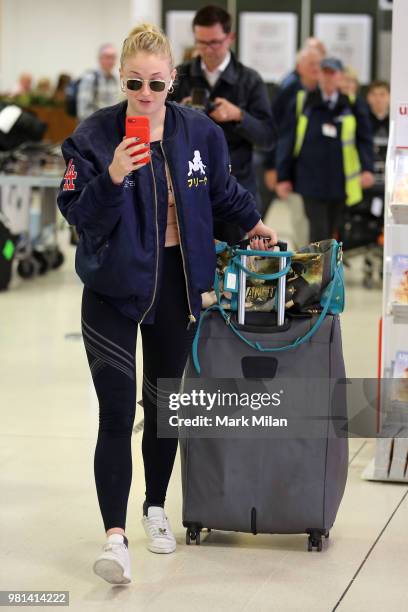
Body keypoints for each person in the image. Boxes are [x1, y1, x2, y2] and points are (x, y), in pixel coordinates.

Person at [57, 22, 277, 585]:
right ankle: (114, 538)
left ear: (173, 79)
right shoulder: (92, 137)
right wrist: (110, 177)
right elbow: (79, 217)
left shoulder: (199, 132)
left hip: (179, 289)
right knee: (114, 410)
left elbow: (222, 191)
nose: (147, 94)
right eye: (135, 83)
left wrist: (254, 223)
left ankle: (156, 508)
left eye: (157, 83)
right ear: (121, 80)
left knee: (163, 409)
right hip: (112, 293)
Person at [171, 4, 276, 244]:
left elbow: (268, 137)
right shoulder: (178, 77)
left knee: (234, 272)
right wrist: (180, 113)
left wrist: (239, 115)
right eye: (201, 42)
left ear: (230, 37)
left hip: (236, 192)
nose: (208, 50)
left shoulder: (249, 80)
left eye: (215, 42)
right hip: (188, 189)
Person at [276, 57, 374, 243]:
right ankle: (319, 271)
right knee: (318, 231)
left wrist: (367, 168)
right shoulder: (303, 102)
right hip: (310, 180)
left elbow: (364, 139)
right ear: (319, 75)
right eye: (325, 72)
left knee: (332, 231)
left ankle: (328, 270)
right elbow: (287, 141)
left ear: (340, 77)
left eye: (333, 73)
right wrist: (283, 176)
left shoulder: (351, 104)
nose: (329, 78)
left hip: (340, 181)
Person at [263, 46, 323, 247]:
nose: (316, 68)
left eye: (319, 63)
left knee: (317, 226)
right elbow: (275, 130)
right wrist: (271, 167)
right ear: (300, 67)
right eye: (311, 64)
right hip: (295, 171)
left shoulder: (326, 93)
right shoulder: (289, 92)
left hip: (318, 173)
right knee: (300, 223)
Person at [76, 43, 119, 121]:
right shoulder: (90, 78)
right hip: (93, 127)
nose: (110, 61)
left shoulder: (116, 79)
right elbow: (83, 112)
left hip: (110, 127)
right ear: (100, 59)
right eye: (107, 57)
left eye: (113, 57)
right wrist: (103, 120)